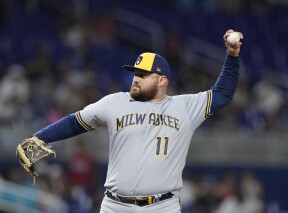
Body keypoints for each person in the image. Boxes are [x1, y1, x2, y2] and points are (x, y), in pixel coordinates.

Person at [24, 29, 243, 212]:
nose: (135, 79)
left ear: (162, 81)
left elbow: (222, 94)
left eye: (143, 75)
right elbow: (75, 122)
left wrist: (232, 56)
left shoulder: (184, 106)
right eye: (135, 73)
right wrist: (37, 139)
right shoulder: (115, 102)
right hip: (115, 205)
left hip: (162, 206)